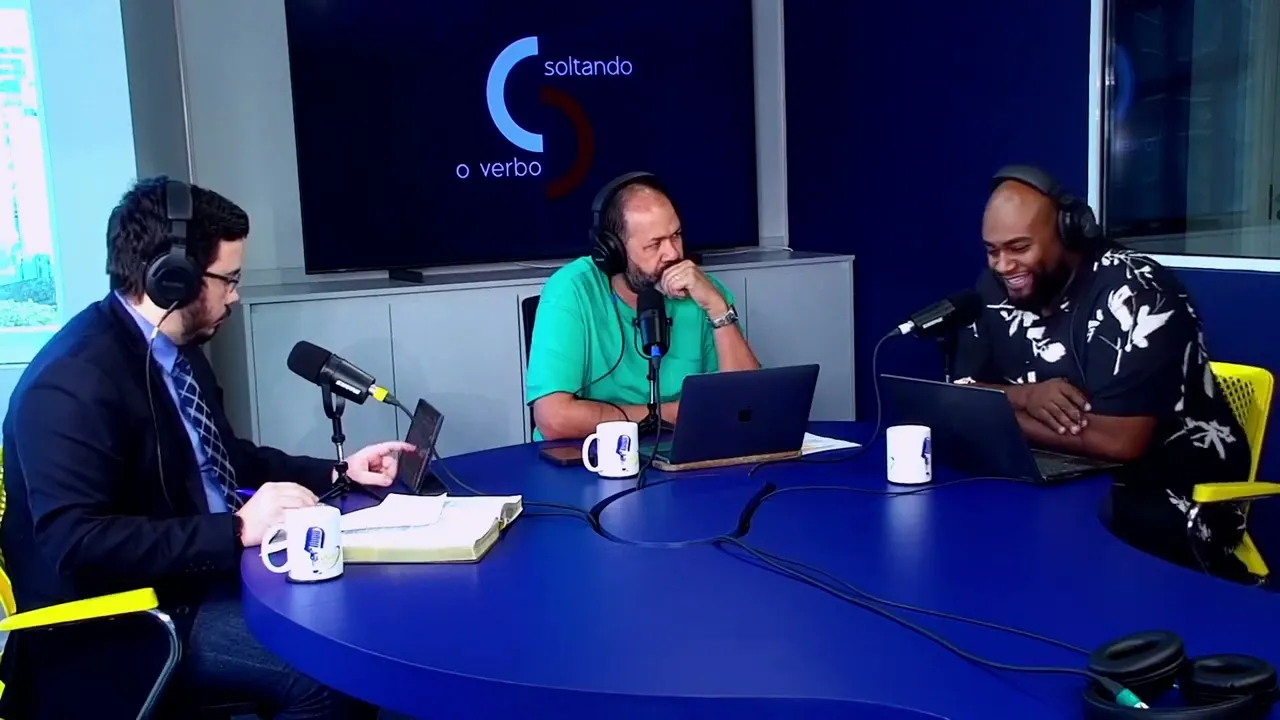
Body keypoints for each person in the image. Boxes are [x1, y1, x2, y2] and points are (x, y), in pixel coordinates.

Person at [0, 177, 408, 718]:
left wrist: (338, 472)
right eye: (228, 280)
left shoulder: (174, 349)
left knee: (362, 612)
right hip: (126, 621)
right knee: (328, 671)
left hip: (197, 577)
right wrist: (235, 529)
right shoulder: (71, 382)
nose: (235, 296)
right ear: (172, 279)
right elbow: (78, 541)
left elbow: (227, 458)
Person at [951, 165, 1253, 582]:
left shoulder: (1137, 292)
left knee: (1052, 561)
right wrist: (1024, 396)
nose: (1003, 265)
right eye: (992, 251)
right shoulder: (995, 287)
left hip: (1168, 491)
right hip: (1063, 475)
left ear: (1068, 232)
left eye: (1019, 247)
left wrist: (994, 417)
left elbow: (1120, 441)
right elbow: (962, 391)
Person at [526, 172, 760, 440]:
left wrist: (718, 308)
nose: (673, 253)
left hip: (684, 449)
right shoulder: (571, 290)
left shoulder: (702, 291)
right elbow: (554, 419)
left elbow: (747, 403)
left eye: (676, 235)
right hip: (591, 454)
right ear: (614, 251)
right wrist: (668, 416)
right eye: (655, 244)